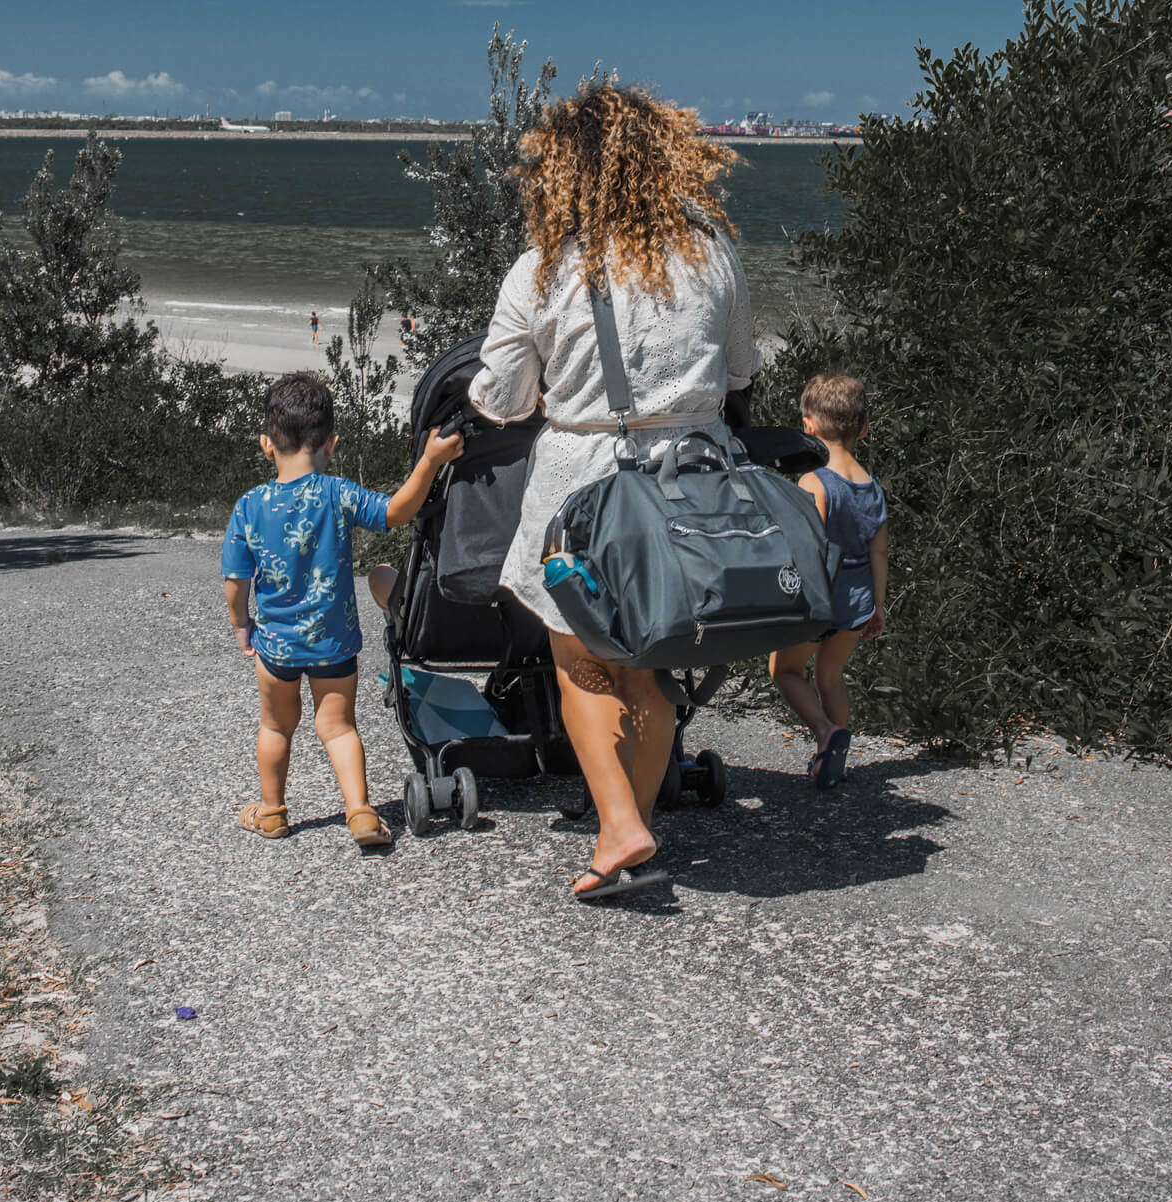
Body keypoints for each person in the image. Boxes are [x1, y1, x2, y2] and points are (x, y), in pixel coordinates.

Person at [468, 84, 760, 901]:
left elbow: (501, 399)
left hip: (588, 484)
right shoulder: (710, 250)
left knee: (582, 660)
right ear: (667, 158)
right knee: (655, 661)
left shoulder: (544, 267)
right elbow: (740, 370)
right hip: (696, 482)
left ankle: (620, 827)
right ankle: (629, 822)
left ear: (562, 169)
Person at [222, 371, 463, 844]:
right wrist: (431, 461)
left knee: (275, 725)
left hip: (276, 646)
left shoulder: (249, 506)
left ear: (266, 445)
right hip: (333, 643)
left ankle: (272, 812)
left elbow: (236, 580)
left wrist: (242, 625)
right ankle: (361, 813)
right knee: (338, 727)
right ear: (330, 445)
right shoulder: (338, 493)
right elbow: (396, 512)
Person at [768, 371, 887, 789]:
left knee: (784, 671)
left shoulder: (813, 480)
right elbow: (879, 550)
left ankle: (825, 731)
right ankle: (833, 760)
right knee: (831, 676)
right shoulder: (872, 487)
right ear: (864, 427)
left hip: (818, 598)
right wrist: (878, 603)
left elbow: (808, 545)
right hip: (856, 599)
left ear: (809, 427)